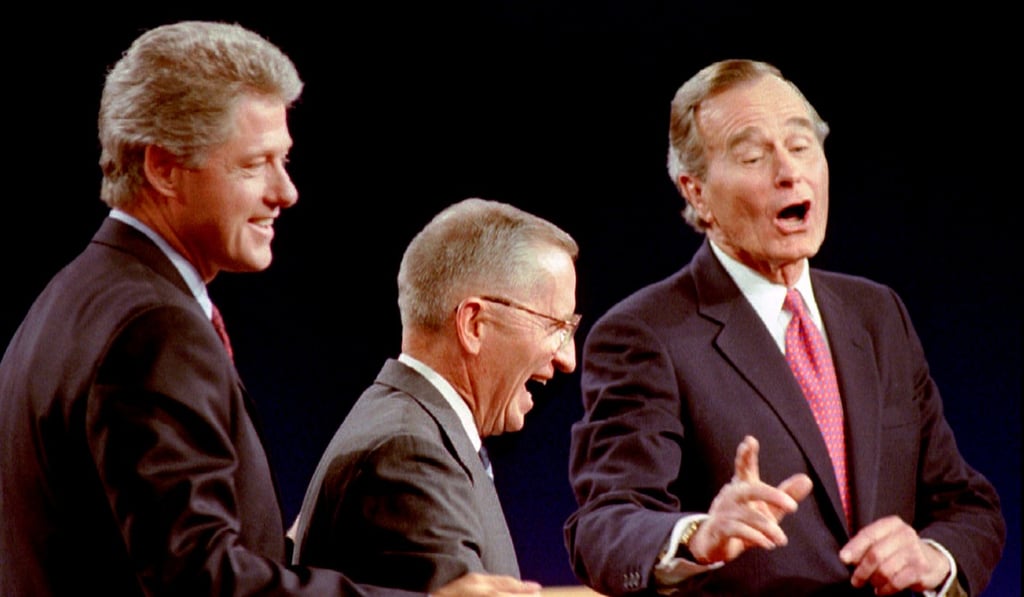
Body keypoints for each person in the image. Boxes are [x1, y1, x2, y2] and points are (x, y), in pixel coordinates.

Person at [0, 21, 539, 597]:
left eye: (284, 161)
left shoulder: (73, 297)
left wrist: (289, 548)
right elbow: (197, 578)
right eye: (255, 164)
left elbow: (145, 549)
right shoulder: (154, 329)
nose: (285, 192)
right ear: (163, 167)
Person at [563, 59, 1005, 596]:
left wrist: (933, 557)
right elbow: (604, 523)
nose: (788, 172)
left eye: (800, 146)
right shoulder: (645, 333)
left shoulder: (878, 313)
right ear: (697, 192)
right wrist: (698, 537)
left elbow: (967, 506)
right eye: (753, 156)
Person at [290, 197, 581, 592]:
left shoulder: (419, 432)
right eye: (555, 327)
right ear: (474, 324)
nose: (568, 358)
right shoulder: (409, 455)